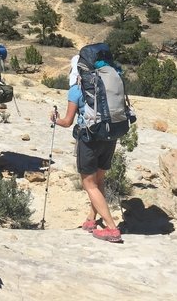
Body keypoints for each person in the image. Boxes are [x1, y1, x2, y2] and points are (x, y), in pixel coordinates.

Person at [51, 55, 123, 243]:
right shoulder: (107, 84)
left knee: (89, 184)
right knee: (99, 181)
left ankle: (111, 228)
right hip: (109, 135)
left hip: (89, 138)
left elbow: (67, 122)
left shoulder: (76, 90)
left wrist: (54, 119)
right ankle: (91, 219)